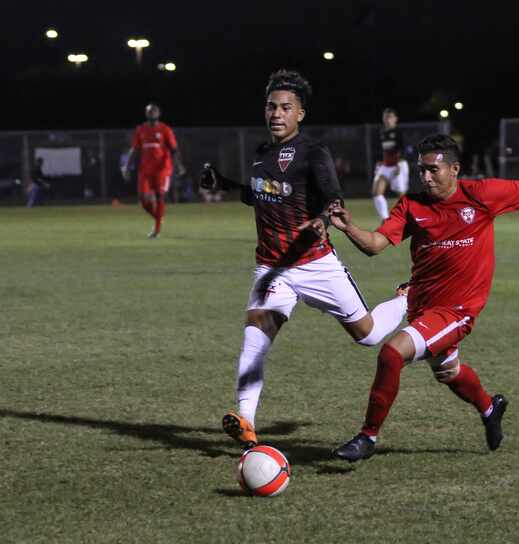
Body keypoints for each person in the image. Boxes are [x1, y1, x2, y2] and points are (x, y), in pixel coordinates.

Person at [329, 134, 519, 462]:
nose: (426, 177)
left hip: (458, 311)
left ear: (454, 169)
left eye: (433, 170)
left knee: (391, 353)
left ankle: (367, 437)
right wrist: (349, 228)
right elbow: (374, 245)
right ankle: (490, 409)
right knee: (449, 372)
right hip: (422, 307)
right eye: (421, 171)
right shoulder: (412, 205)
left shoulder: (481, 194)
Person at [199, 69, 409, 449]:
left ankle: (405, 299)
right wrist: (225, 184)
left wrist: (324, 218)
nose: (276, 114)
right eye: (270, 107)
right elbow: (261, 194)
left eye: (285, 107)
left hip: (315, 263)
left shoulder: (314, 152)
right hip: (273, 267)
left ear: (300, 114)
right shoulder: (262, 154)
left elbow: (334, 197)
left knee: (369, 335)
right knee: (254, 339)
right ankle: (245, 420)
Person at [121, 103, 186, 238]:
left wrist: (179, 165)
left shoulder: (165, 129)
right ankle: (158, 218)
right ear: (146, 114)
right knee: (143, 200)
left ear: (158, 114)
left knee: (160, 196)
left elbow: (174, 150)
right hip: (145, 170)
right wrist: (127, 167)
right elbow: (134, 150)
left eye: (154, 111)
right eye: (149, 112)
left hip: (162, 168)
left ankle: (156, 230)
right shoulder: (140, 130)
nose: (152, 114)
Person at [371, 108, 409, 220]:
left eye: (390, 117)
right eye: (386, 117)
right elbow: (385, 150)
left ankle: (408, 218)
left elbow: (404, 149)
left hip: (398, 164)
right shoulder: (382, 132)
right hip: (386, 165)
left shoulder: (398, 132)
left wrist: (399, 163)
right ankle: (386, 219)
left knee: (401, 194)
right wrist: (380, 161)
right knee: (376, 192)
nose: (388, 119)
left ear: (395, 119)